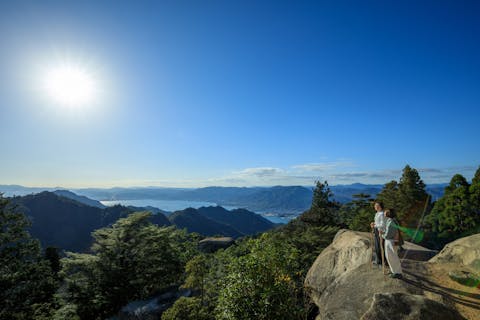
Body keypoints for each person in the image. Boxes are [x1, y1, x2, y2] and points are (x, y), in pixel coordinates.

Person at [383, 209, 403, 279]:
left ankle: (398, 273)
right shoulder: (390, 220)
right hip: (390, 241)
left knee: (393, 257)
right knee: (390, 256)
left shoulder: (391, 221)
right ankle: (394, 271)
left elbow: (388, 234)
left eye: (386, 211)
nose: (384, 212)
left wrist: (382, 235)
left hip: (391, 241)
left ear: (389, 214)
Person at [370, 201, 386, 267]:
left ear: (379, 206)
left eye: (376, 205)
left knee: (380, 247)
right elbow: (378, 222)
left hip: (380, 231)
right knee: (377, 246)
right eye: (375, 205)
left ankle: (382, 262)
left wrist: (375, 225)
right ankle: (378, 261)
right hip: (377, 230)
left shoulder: (382, 214)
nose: (375, 206)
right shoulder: (377, 213)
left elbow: (382, 225)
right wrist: (374, 223)